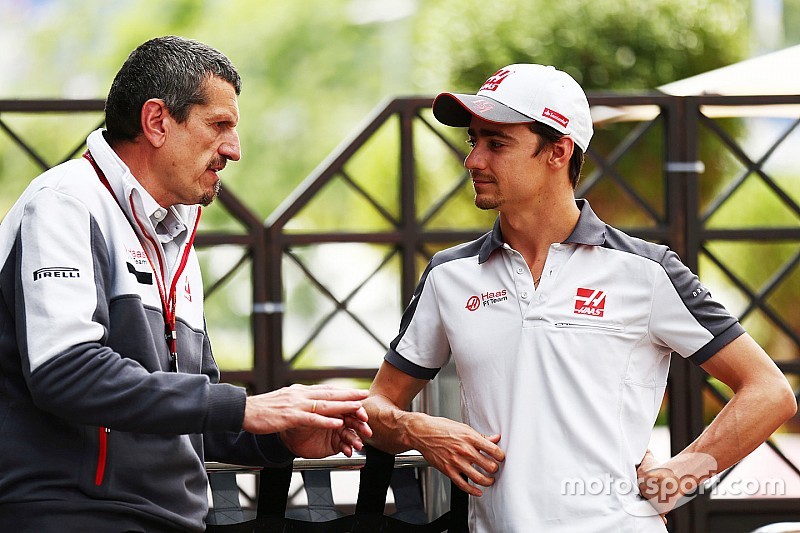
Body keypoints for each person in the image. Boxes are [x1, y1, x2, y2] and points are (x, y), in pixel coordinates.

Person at [363, 63, 796, 532]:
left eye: (497, 143)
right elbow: (378, 406)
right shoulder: (450, 276)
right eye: (474, 141)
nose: (474, 161)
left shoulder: (646, 272)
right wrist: (419, 430)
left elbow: (769, 392)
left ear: (558, 151)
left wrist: (680, 475)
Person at [0, 36, 371, 532]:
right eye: (219, 125)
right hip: (74, 515)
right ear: (157, 122)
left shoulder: (172, 231)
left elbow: (191, 414)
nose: (234, 150)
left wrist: (282, 436)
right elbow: (65, 371)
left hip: (172, 519)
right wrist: (245, 407)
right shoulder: (64, 202)